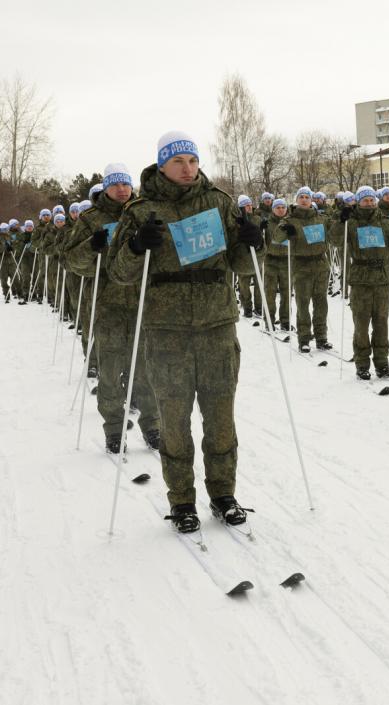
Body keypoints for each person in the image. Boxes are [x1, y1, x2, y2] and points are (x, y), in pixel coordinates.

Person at [108, 131, 265, 533]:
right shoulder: (141, 211)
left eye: (192, 161)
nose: (187, 168)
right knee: (174, 422)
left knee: (220, 418)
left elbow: (243, 265)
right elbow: (120, 274)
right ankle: (181, 500)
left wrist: (253, 244)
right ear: (162, 165)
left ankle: (223, 493)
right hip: (167, 331)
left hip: (216, 326)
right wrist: (136, 247)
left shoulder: (219, 202)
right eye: (178, 162)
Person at [65, 163, 161, 454]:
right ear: (105, 188)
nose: (121, 189)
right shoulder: (91, 219)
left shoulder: (145, 211)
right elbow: (72, 261)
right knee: (110, 370)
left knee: (146, 370)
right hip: (108, 304)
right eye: (114, 185)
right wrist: (90, 246)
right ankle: (115, 430)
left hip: (143, 301)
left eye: (125, 184)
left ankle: (153, 426)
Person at [333, 185, 389, 379]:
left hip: (382, 278)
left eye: (371, 200)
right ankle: (362, 363)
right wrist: (339, 220)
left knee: (381, 323)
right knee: (361, 324)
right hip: (361, 279)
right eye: (364, 200)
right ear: (358, 202)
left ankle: (382, 362)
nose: (369, 203)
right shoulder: (351, 223)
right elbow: (335, 240)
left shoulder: (385, 222)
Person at [273, 186, 332, 353]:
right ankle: (304, 338)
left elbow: (334, 231)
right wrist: (284, 228)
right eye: (301, 197)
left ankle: (321, 337)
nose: (304, 199)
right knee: (303, 303)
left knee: (321, 303)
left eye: (307, 197)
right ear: (296, 200)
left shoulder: (320, 218)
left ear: (311, 200)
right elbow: (276, 238)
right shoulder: (290, 219)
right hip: (301, 265)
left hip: (320, 264)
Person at [262, 198, 293, 331]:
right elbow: (261, 242)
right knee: (270, 292)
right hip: (271, 261)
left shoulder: (291, 222)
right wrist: (260, 229)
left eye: (283, 207)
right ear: (273, 209)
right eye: (278, 207)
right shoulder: (268, 223)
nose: (281, 210)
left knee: (287, 292)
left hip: (287, 260)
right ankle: (269, 320)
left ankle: (285, 320)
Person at [236, 195, 262, 319]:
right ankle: (247, 307)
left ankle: (259, 307)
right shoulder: (237, 221)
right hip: (244, 259)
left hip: (257, 257)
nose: (249, 207)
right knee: (244, 285)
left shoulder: (257, 219)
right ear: (241, 207)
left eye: (250, 204)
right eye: (246, 205)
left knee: (259, 285)